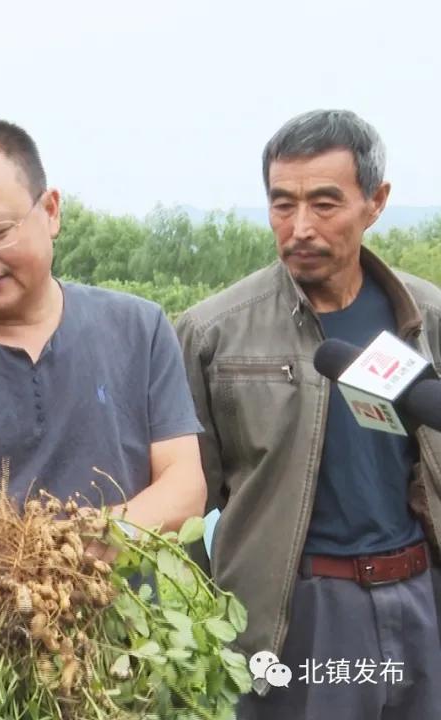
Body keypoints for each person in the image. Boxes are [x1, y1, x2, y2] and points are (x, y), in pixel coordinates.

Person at [0, 119, 206, 686]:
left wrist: (83, 549)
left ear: (50, 210)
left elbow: (183, 483)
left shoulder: (138, 328)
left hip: (126, 640)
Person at [176, 109, 441, 719]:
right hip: (302, 613)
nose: (299, 227)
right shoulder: (214, 332)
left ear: (375, 202)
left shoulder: (424, 317)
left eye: (324, 203)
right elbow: (188, 499)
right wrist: (237, 605)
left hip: (417, 593)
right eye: (281, 204)